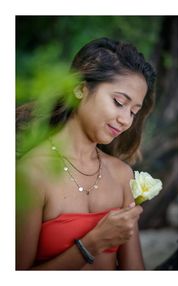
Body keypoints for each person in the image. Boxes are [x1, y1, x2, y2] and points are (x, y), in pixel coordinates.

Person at [16, 37, 156, 270]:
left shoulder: (122, 175)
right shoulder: (31, 174)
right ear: (81, 89)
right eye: (119, 102)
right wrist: (92, 244)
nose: (125, 120)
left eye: (134, 111)